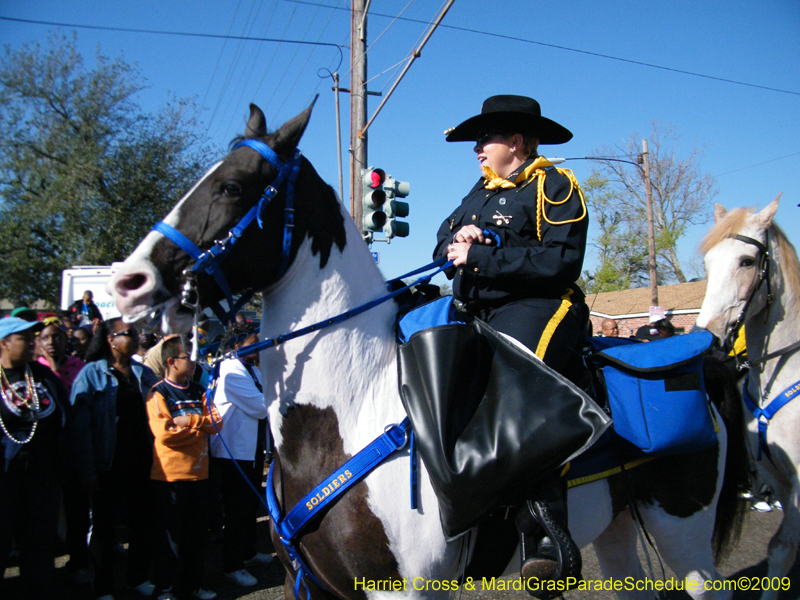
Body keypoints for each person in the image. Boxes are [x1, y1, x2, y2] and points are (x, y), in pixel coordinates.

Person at [433, 95, 588, 589]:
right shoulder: (476, 193)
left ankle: (545, 527)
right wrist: (462, 242)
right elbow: (442, 244)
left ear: (515, 142)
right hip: (474, 308)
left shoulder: (554, 185)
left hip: (539, 305)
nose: (477, 148)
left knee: (519, 378)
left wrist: (483, 253)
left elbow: (558, 263)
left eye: (486, 139)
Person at [71, 318, 158, 600]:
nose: (136, 337)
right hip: (107, 464)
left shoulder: (142, 373)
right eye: (129, 333)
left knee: (142, 523)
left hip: (143, 461)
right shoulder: (90, 375)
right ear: (111, 339)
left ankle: (138, 577)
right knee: (105, 530)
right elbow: (80, 429)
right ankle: (104, 587)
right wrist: (87, 470)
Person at [147, 336, 222, 600]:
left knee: (196, 537)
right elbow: (164, 433)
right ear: (171, 362)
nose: (194, 361)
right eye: (188, 356)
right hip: (170, 477)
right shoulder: (158, 393)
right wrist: (199, 426)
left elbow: (216, 424)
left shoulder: (199, 391)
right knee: (171, 539)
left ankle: (194, 584)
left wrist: (188, 420)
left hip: (200, 474)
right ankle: (167, 587)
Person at [0, 317, 69, 600]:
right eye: (24, 339)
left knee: (40, 543)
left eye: (33, 338)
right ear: (4, 343)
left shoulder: (43, 377)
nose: (32, 343)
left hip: (41, 476)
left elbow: (65, 420)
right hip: (4, 477)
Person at [210, 327, 272, 587]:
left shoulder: (252, 369)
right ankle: (232, 564)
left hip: (251, 447)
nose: (258, 348)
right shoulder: (231, 371)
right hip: (233, 451)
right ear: (237, 345)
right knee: (236, 508)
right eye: (253, 343)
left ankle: (247, 552)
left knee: (248, 505)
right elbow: (260, 406)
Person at [36, 317, 91, 582]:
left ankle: (79, 561)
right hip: (44, 452)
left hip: (74, 448)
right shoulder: (33, 370)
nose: (51, 342)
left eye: (56, 337)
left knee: (76, 509)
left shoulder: (79, 367)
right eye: (45, 338)